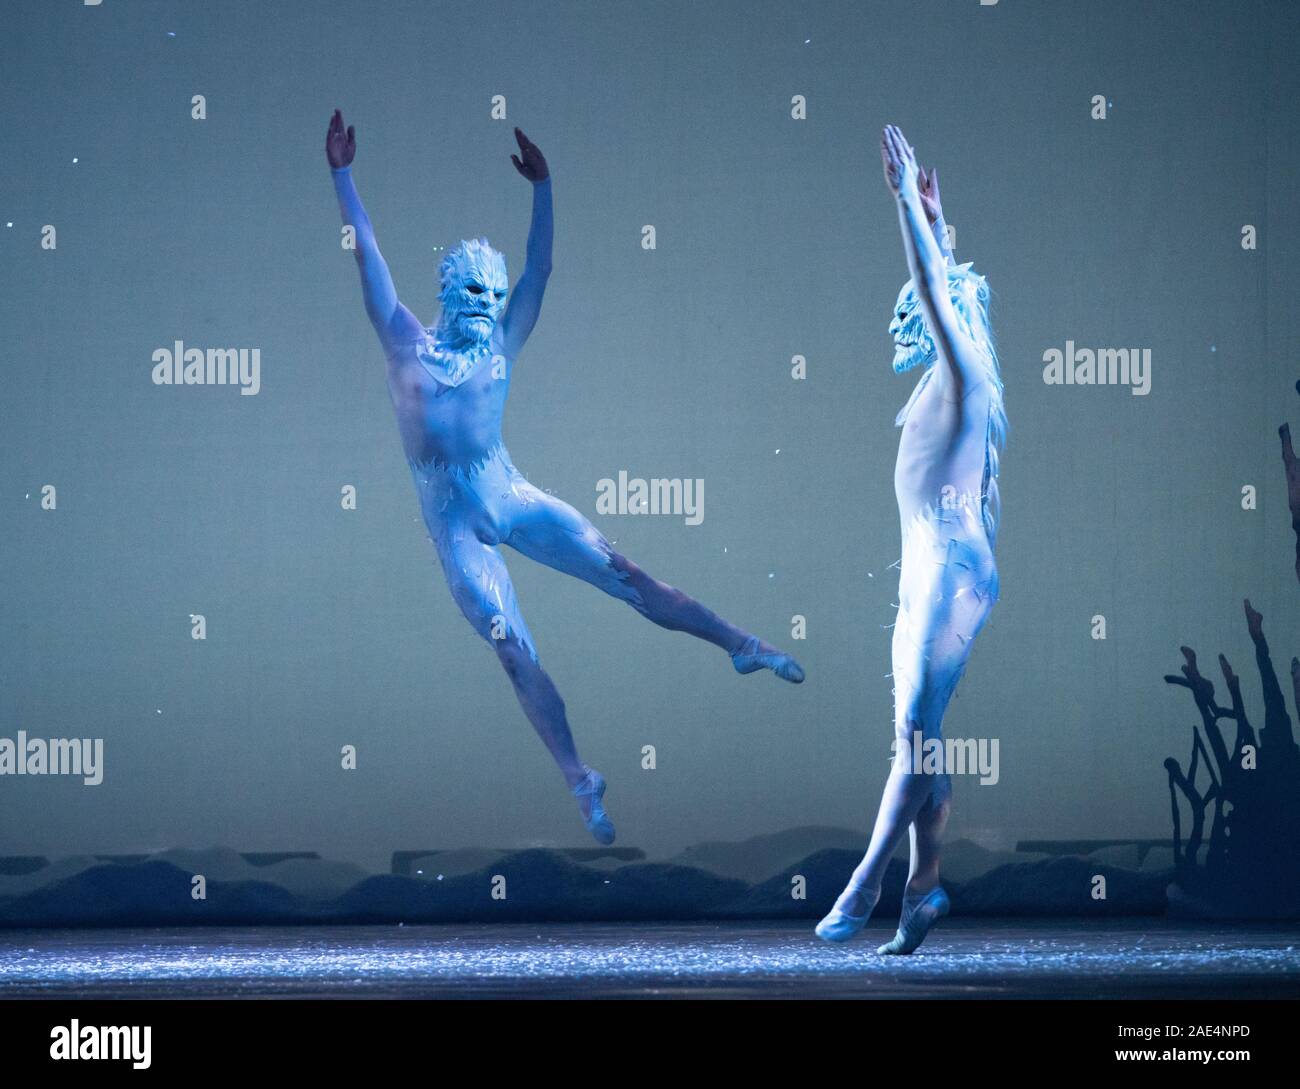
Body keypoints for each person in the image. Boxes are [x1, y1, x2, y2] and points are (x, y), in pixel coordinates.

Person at [325, 110, 804, 844]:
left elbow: (539, 269)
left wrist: (544, 189)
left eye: (494, 294)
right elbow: (368, 258)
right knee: (512, 647)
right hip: (456, 525)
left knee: (626, 571)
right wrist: (343, 176)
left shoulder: (502, 347)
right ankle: (581, 780)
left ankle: (741, 642)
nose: (489, 306)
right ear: (449, 295)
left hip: (511, 495)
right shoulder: (402, 342)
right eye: (475, 295)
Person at [816, 125, 1005, 953]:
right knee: (919, 735)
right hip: (932, 566)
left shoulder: (964, 371)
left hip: (952, 567)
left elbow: (936, 284)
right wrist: (938, 213)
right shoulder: (954, 376)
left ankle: (864, 882)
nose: (907, 316)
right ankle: (925, 888)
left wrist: (905, 205)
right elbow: (942, 282)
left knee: (915, 738)